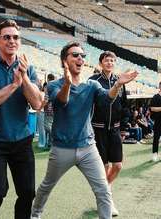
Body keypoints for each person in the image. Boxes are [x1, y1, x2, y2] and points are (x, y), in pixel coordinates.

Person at [31, 42, 138, 219]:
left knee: (103, 190)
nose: (80, 58)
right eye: (75, 55)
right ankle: (35, 214)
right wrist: (67, 82)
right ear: (64, 60)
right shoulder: (53, 85)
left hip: (88, 147)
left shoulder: (92, 85)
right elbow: (62, 101)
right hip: (62, 149)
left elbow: (106, 99)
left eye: (82, 56)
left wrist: (118, 84)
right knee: (46, 186)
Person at [0, 19, 42, 219]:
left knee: (28, 192)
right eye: (6, 37)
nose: (12, 41)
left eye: (15, 37)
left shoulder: (28, 69)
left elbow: (38, 103)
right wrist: (13, 85)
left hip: (21, 139)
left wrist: (25, 79)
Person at [89, 51, 128, 216]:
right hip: (98, 129)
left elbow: (125, 105)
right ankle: (107, 199)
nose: (110, 62)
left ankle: (105, 191)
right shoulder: (93, 81)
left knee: (118, 165)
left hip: (115, 129)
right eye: (107, 60)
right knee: (104, 167)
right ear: (100, 63)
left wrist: (124, 127)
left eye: (112, 60)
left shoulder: (120, 81)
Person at [43, 73, 55, 148]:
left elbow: (46, 99)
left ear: (48, 79)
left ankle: (51, 141)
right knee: (50, 126)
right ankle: (49, 143)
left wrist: (42, 107)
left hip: (49, 109)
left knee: (47, 127)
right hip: (54, 109)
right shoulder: (56, 85)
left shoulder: (49, 86)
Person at [150, 81, 161, 162]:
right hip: (158, 121)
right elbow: (152, 108)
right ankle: (155, 154)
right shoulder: (156, 97)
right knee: (156, 138)